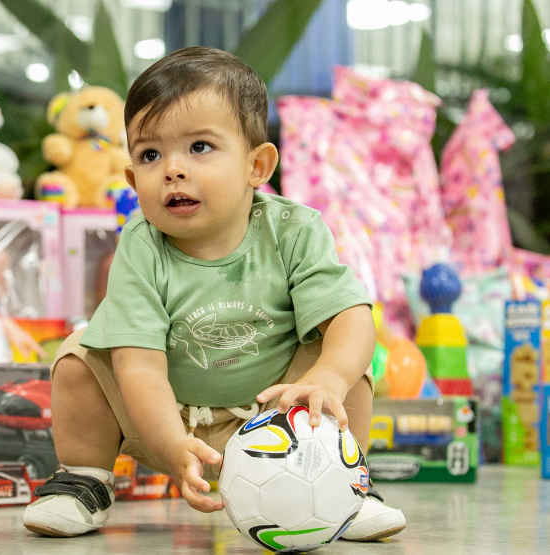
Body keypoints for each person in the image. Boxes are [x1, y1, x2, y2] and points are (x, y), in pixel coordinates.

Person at [22, 46, 406, 541]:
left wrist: (328, 376)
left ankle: (344, 487)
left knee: (343, 371)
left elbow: (351, 316)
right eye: (150, 154)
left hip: (277, 412)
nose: (172, 169)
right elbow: (138, 364)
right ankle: (84, 479)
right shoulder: (141, 244)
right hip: (163, 415)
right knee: (80, 357)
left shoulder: (296, 232)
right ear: (132, 177)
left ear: (257, 166)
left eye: (199, 147)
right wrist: (170, 444)